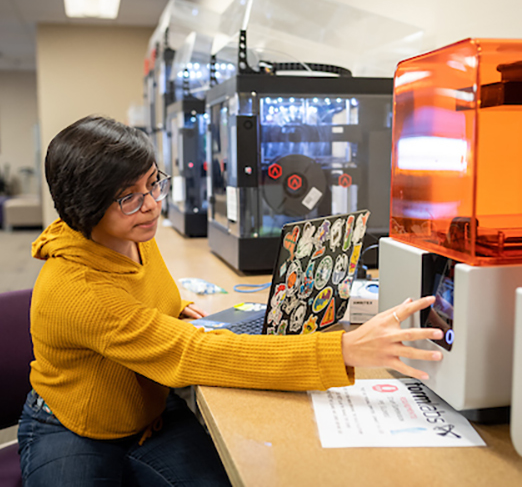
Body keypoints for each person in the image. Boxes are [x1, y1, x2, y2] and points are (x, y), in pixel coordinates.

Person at [18, 115, 444, 486]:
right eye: (129, 196)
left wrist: (165, 313)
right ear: (87, 206)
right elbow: (191, 351)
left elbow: (134, 300)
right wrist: (344, 349)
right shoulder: (79, 288)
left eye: (152, 184)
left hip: (148, 411)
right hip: (75, 426)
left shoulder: (128, 233)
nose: (150, 206)